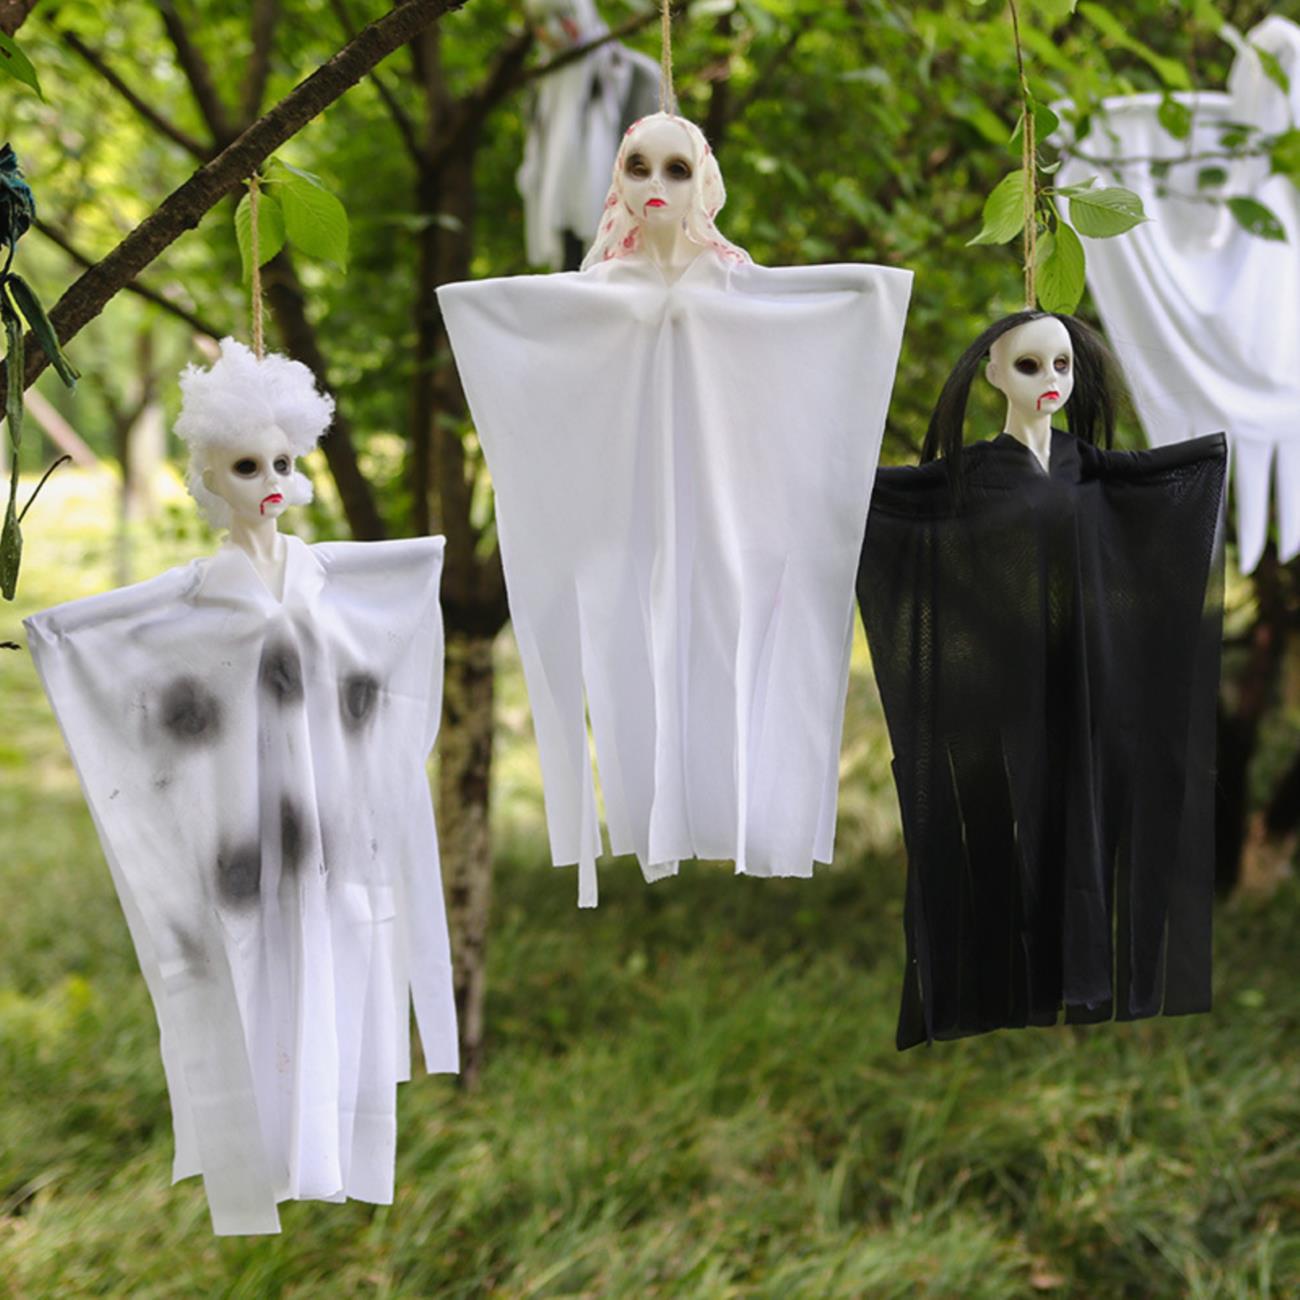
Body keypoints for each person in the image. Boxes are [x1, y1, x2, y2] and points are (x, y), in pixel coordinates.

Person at [24, 339, 457, 1233]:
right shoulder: (197, 596)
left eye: (282, 464)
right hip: (237, 834)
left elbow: (395, 617)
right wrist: (63, 641)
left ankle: (326, 1140)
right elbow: (122, 640)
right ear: (209, 477)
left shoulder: (325, 581)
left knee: (335, 963)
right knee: (247, 969)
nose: (268, 481)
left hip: (330, 835)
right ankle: (260, 1141)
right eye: (246, 466)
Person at [857, 312, 1227, 1049]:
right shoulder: (968, 478)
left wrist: (1211, 456)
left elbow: (1163, 493)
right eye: (1029, 365)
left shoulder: (1092, 472)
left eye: (1062, 364)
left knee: (1082, 829)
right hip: (994, 699)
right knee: (997, 839)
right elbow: (882, 502)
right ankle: (996, 986)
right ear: (993, 373)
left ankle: (1080, 974)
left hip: (1086, 692)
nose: (1051, 380)